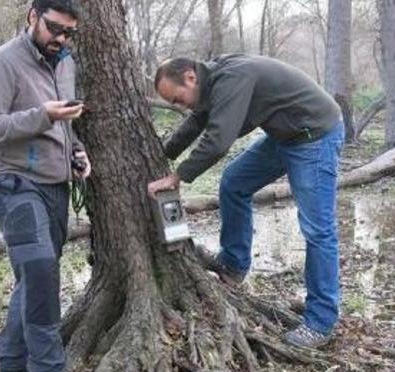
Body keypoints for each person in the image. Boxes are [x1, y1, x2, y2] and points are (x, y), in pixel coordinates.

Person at [148, 55, 345, 349]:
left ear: (190, 77)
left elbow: (218, 140)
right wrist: (164, 152)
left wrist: (178, 176)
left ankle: (321, 321)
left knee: (318, 229)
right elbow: (196, 122)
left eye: (177, 98)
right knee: (234, 183)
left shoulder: (233, 79)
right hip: (285, 136)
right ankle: (233, 264)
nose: (179, 105)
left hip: (314, 136)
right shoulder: (211, 82)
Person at [0, 0, 89, 372]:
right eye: (54, 28)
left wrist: (77, 152)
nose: (61, 39)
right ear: (32, 17)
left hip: (55, 183)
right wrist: (42, 116)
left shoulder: (65, 63)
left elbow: (66, 123)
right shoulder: (0, 63)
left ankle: (10, 359)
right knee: (40, 268)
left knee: (36, 271)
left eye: (69, 32)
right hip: (12, 180)